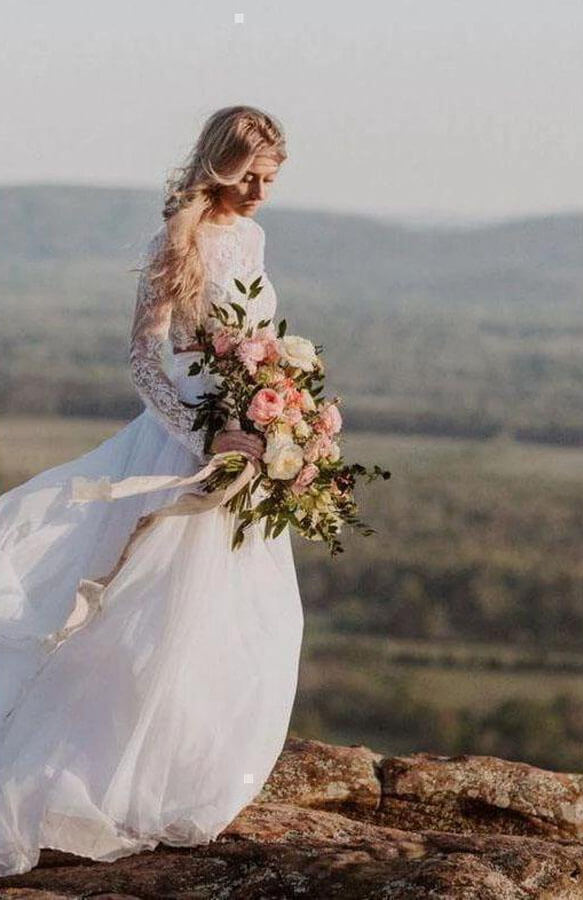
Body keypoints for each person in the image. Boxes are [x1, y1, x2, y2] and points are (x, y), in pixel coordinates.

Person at [0, 105, 304, 876]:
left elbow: (258, 342)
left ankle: (188, 769)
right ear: (220, 166)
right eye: (250, 177)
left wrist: (278, 415)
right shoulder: (178, 239)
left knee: (234, 612)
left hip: (244, 443)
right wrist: (204, 435)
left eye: (271, 179)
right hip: (183, 443)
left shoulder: (253, 237)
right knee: (148, 610)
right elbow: (144, 357)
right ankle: (92, 775)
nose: (260, 193)